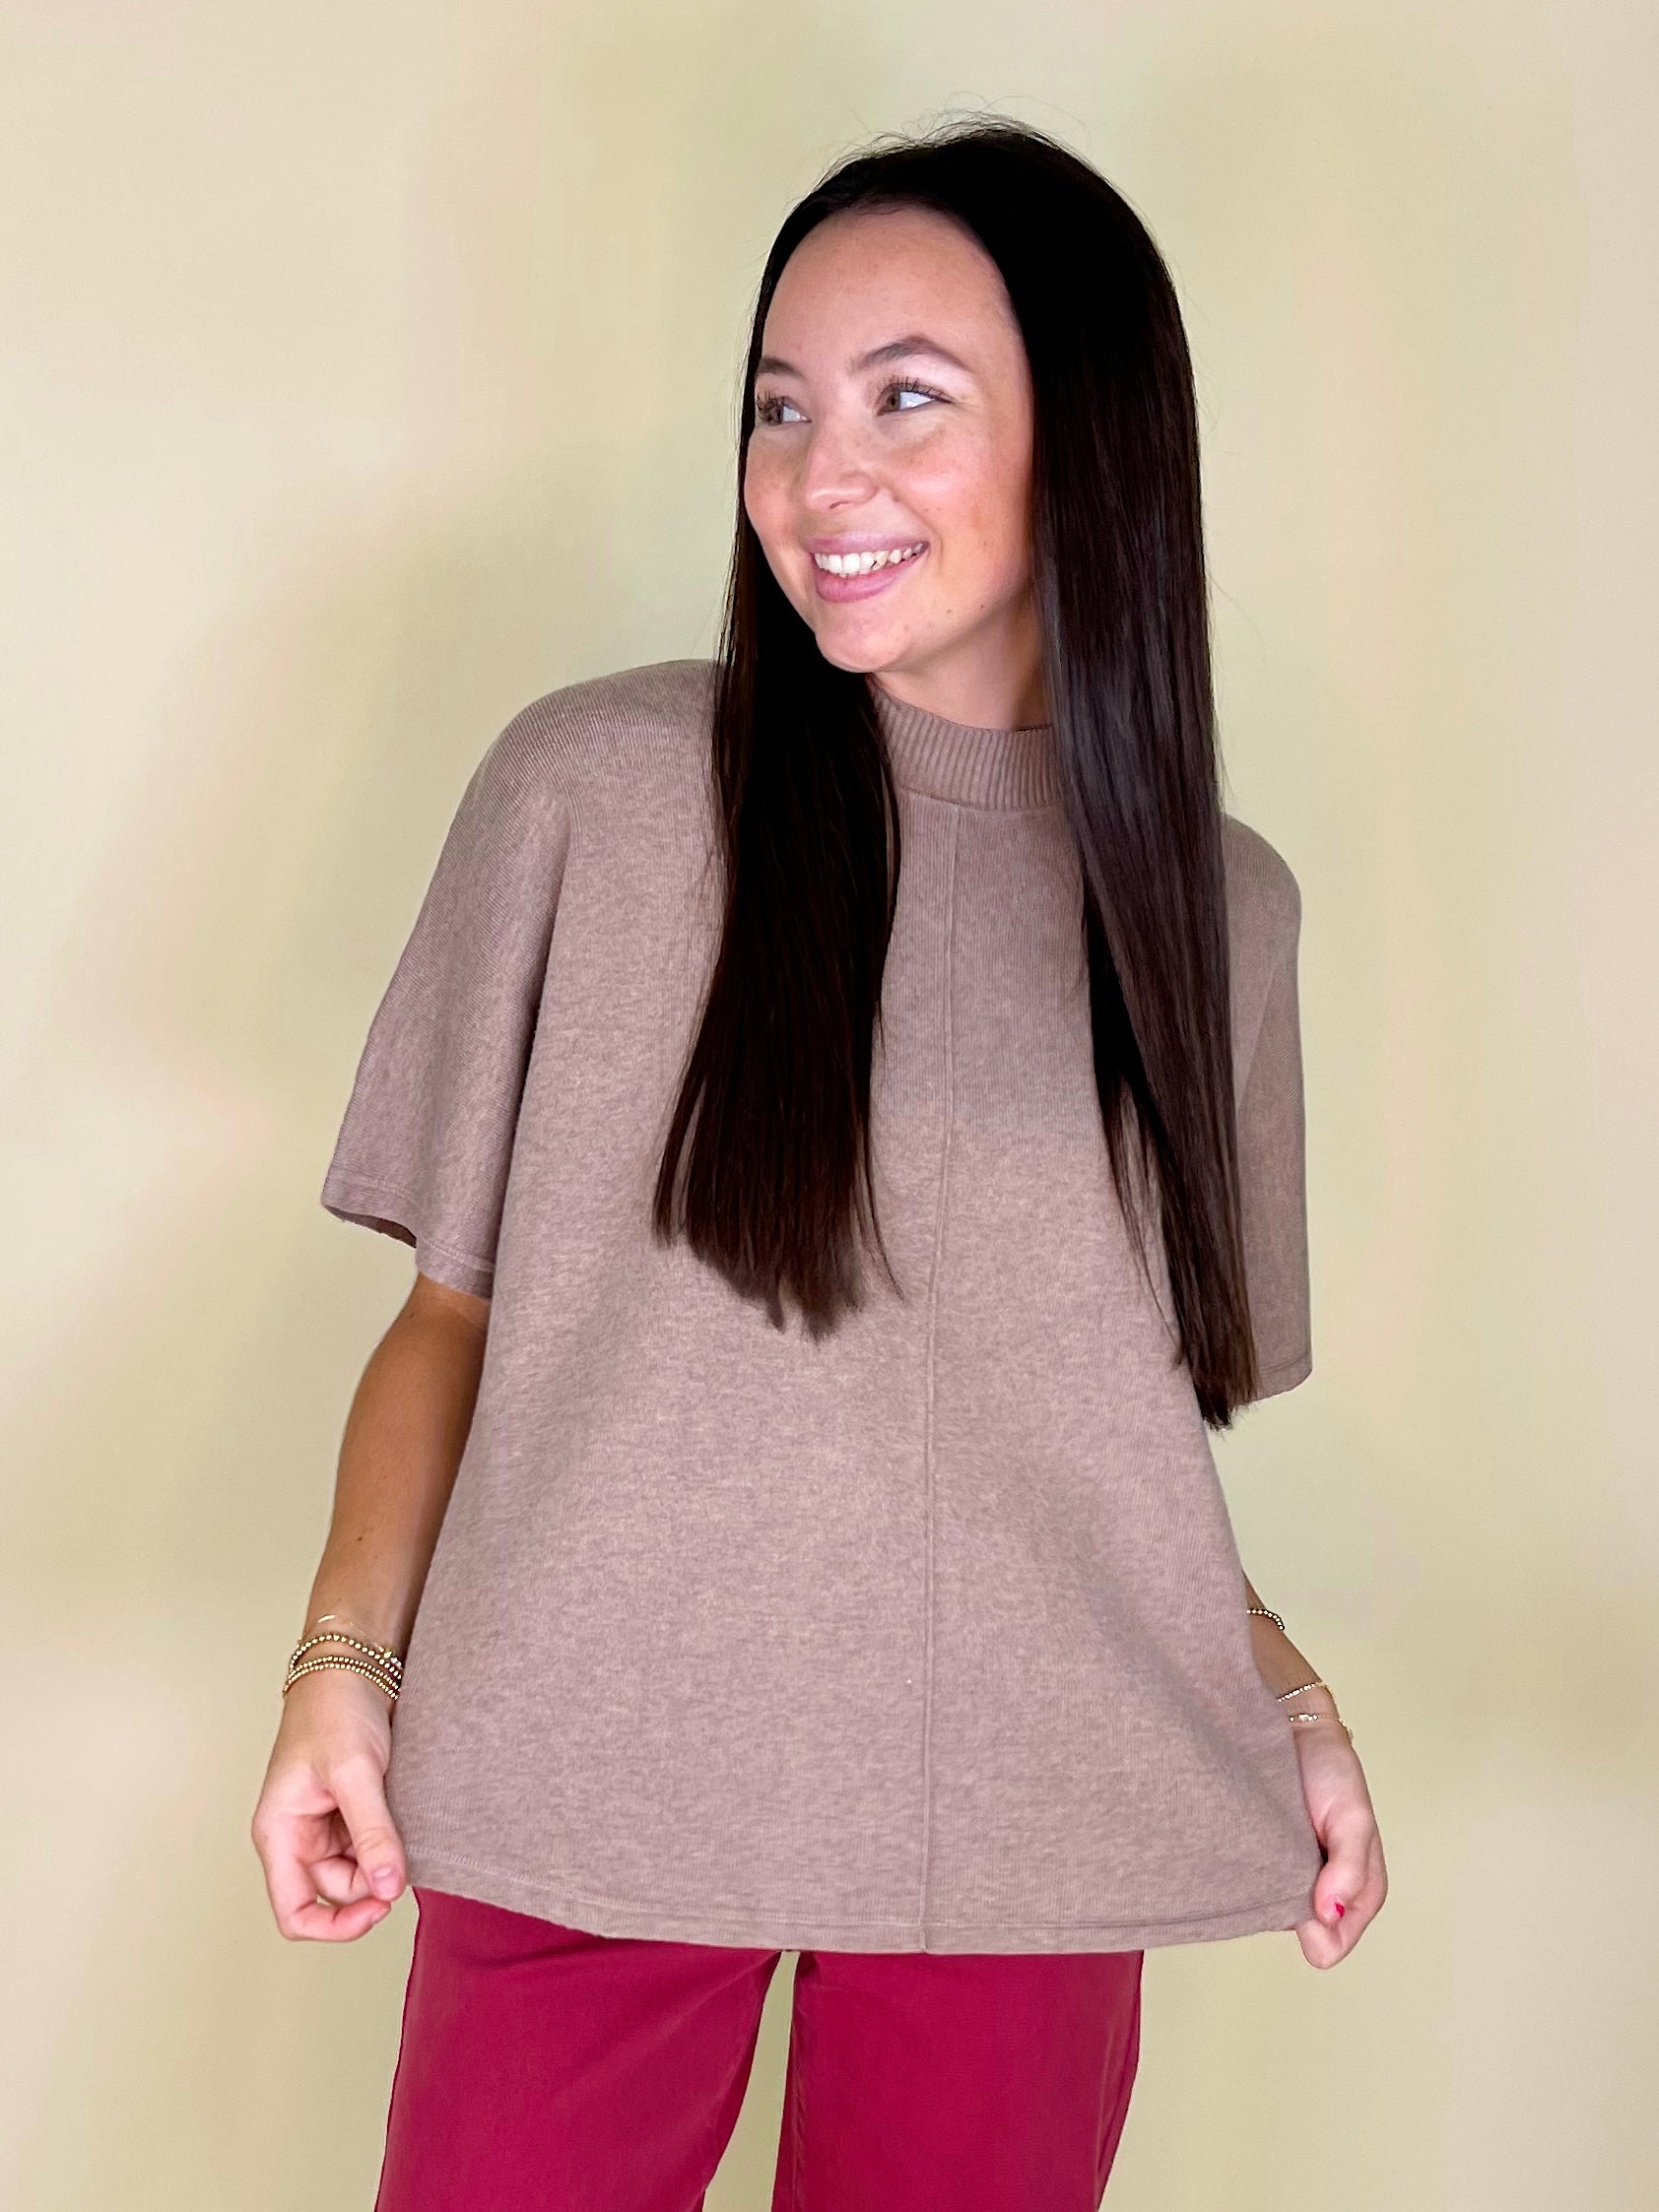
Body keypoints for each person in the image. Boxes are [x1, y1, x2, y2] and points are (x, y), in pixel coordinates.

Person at [251, 117, 1388, 2210]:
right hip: (580, 1772)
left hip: (1026, 1819)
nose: (815, 476)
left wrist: (1282, 1691)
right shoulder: (596, 795)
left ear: (1087, 441)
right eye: (778, 407)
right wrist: (344, 1663)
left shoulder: (1215, 914)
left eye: (904, 400)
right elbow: (451, 1315)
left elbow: (1082, 1442)